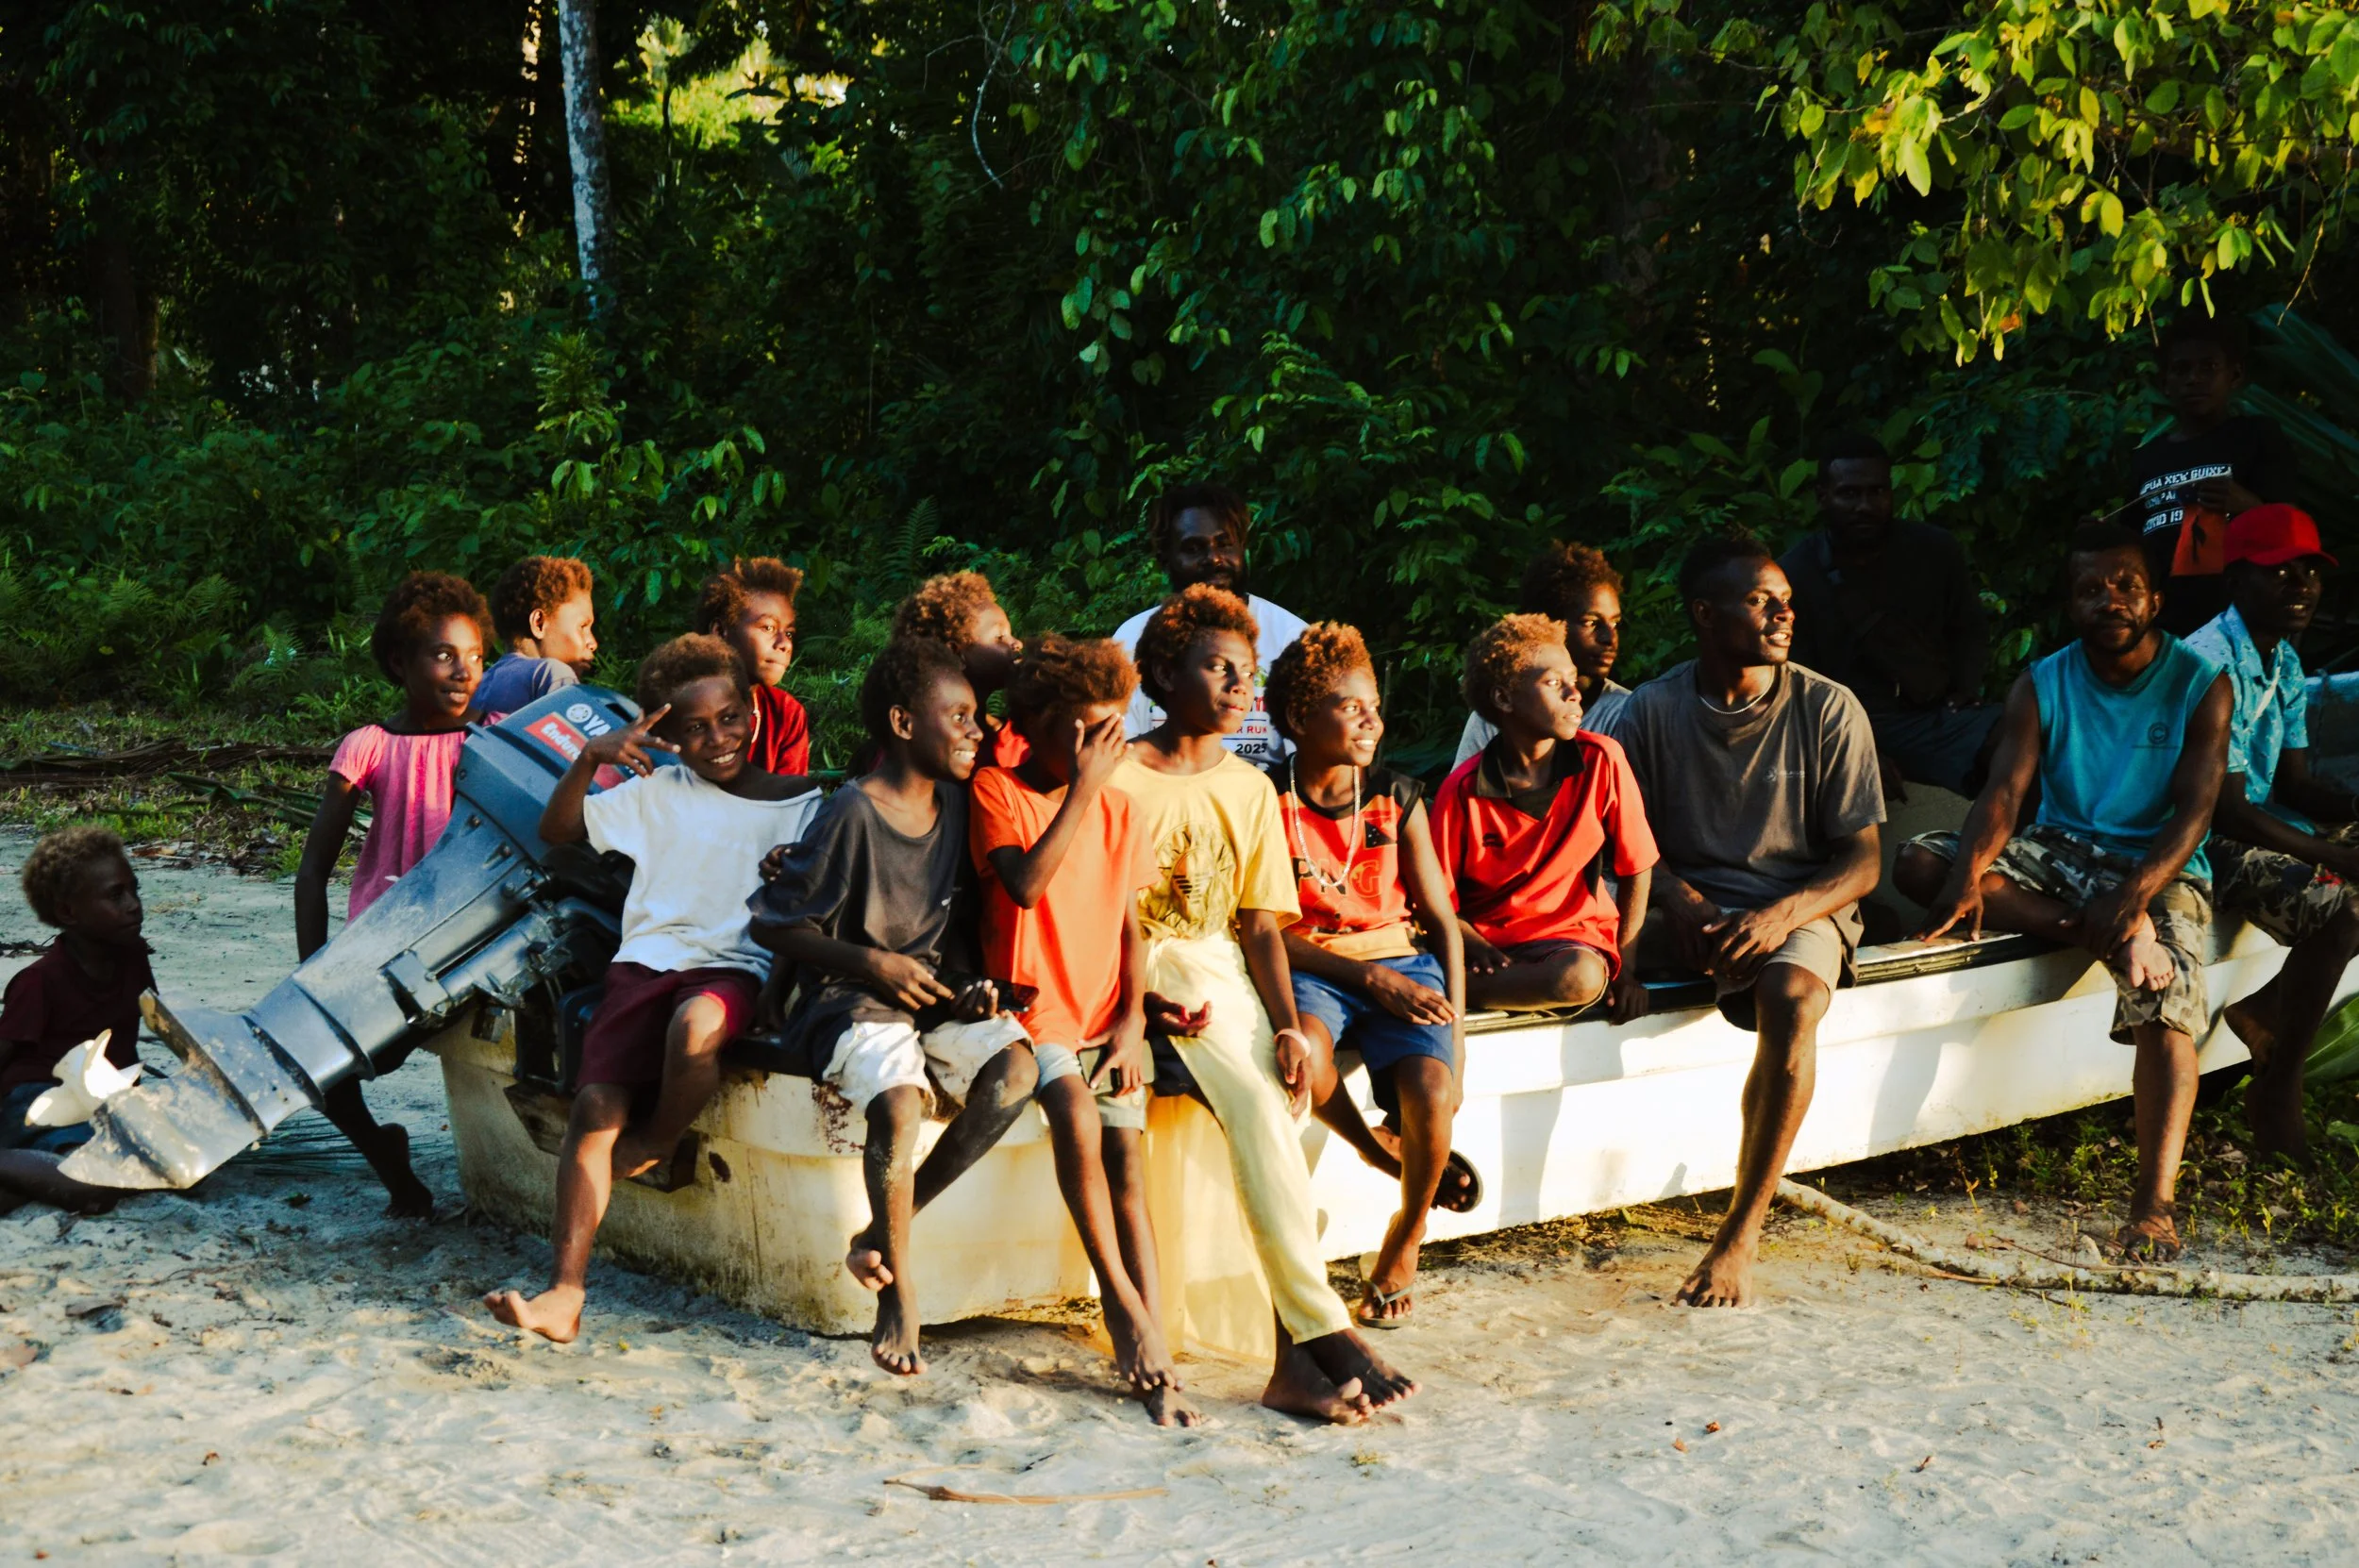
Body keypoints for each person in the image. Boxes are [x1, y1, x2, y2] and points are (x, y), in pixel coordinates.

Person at [1117, 584, 1416, 1422]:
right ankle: (1325, 1330)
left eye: (1247, 675)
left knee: (1280, 1099)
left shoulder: (1248, 789)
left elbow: (1257, 928)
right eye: (1218, 669)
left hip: (1217, 964)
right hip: (1134, 960)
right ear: (1163, 674)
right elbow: (1097, 907)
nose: (1238, 688)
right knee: (1253, 1100)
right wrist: (1137, 995)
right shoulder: (1118, 775)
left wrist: (1287, 1025)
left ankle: (1291, 1363)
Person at [1898, 521, 2231, 1259]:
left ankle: (2154, 1209)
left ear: (2156, 599)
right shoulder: (2043, 680)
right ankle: (2092, 931)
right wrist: (1969, 877)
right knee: (1925, 865)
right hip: (2062, 850)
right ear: (2071, 603)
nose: (2108, 600)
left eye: (2125, 587)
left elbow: (2197, 810)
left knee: (2167, 1008)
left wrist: (2138, 896)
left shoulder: (2197, 681)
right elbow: (2004, 793)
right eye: (2090, 590)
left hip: (2158, 860)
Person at [484, 635, 821, 1343]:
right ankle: (564, 1293)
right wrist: (588, 758)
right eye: (693, 729)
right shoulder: (656, 793)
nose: (717, 738)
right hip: (644, 965)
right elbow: (557, 831)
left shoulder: (804, 806)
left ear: (753, 712)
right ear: (664, 736)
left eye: (729, 717)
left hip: (733, 970)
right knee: (593, 1108)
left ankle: (655, 1142)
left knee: (696, 1027)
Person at [750, 639, 1038, 1376]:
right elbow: (776, 924)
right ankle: (898, 1295)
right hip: (848, 999)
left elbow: (961, 924)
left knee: (1011, 1072)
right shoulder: (853, 809)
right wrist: (871, 959)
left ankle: (884, 1230)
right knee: (901, 1103)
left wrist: (974, 986)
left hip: (929, 994)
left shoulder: (957, 801)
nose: (980, 731)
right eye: (963, 717)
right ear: (906, 724)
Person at [1615, 533, 1885, 1307]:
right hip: (1686, 902)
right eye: (1760, 600)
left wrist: (1776, 918)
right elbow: (1622, 839)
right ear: (1705, 615)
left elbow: (1861, 863)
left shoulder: (1828, 707)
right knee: (1573, 951)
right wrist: (1680, 899)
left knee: (1793, 1000)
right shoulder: (1653, 709)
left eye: (1787, 601)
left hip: (1797, 900)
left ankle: (1741, 1231)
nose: (1782, 614)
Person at [971, 633, 1194, 1424]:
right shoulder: (999, 790)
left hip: (1108, 1018)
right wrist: (1084, 789)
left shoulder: (1124, 808)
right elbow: (1027, 885)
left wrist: (1134, 1021)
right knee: (1071, 1115)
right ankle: (1124, 1313)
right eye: (1091, 731)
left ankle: (1154, 1340)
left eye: (1116, 728)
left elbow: (1135, 924)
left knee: (1128, 1164)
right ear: (1040, 727)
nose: (1110, 746)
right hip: (1037, 1014)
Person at [1264, 622, 1473, 1328]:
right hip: (1314, 962)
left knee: (1435, 1090)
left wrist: (1460, 1042)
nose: (1371, 720)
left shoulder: (1396, 794)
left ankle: (1407, 1235)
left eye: (1373, 705)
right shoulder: (1267, 800)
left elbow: (1442, 923)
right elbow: (1260, 930)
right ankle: (1374, 1150)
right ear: (1298, 718)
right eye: (1350, 707)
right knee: (1308, 1055)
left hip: (1401, 959)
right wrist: (1371, 984)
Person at [293, 571, 489, 1217]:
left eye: (475, 657)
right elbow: (313, 869)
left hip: (473, 942)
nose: (463, 672)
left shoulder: (497, 739)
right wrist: (313, 969)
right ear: (399, 662)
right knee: (325, 1073)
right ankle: (396, 1173)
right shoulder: (368, 746)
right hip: (381, 948)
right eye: (443, 655)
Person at [2183, 506, 2359, 1162]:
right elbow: (2223, 810)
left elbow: (2295, 783)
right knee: (2340, 911)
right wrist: (2333, 855)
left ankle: (2264, 1009)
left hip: (2259, 822)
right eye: (2280, 571)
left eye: (2310, 571)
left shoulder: (2282, 660)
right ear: (2236, 582)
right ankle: (2278, 1086)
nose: (2301, 586)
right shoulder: (2208, 661)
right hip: (2195, 838)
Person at [1434, 614, 1657, 1018]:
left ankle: (1458, 989)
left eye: (1573, 680)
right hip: (1486, 948)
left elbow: (1637, 868)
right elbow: (1438, 904)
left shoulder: (1601, 760)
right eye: (1555, 684)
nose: (1575, 694)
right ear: (1504, 699)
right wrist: (1474, 945)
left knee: (1580, 978)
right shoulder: (1462, 791)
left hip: (1569, 943)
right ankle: (1462, 984)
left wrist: (1626, 969)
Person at [1780, 433, 1997, 798]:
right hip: (1846, 722)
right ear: (1822, 497)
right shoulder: (1796, 573)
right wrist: (1854, 748)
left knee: (2020, 737)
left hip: (1932, 714)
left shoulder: (1935, 550)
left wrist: (1965, 687)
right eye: (1849, 494)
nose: (1865, 505)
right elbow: (1796, 684)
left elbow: (1969, 628)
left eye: (1876, 492)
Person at [0, 826, 148, 1214]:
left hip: (102, 1099)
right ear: (68, 912)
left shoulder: (133, 957)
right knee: (94, 1183)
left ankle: (24, 1180)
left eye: (134, 890)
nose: (133, 904)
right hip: (39, 1100)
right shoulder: (40, 982)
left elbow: (157, 1025)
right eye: (116, 895)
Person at [1111, 483, 1308, 763]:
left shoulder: (1292, 638)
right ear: (1165, 559)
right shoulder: (1131, 640)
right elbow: (1122, 758)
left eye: (1224, 543)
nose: (1213, 558)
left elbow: (1309, 765)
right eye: (1193, 548)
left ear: (1243, 547)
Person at [2129, 313, 2298, 637]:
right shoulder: (2147, 457)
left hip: (2236, 621)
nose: (2194, 379)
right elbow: (2132, 537)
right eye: (2181, 370)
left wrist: (2246, 504)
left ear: (2233, 376)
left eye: (2208, 367)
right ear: (2165, 383)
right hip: (2160, 624)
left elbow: (2291, 528)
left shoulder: (2255, 437)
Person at [1453, 542, 1634, 765]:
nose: (1609, 638)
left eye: (1615, 623)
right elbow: (1464, 790)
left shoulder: (1629, 712)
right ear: (1548, 622)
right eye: (1590, 623)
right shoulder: (1498, 714)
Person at [891, 570, 1029, 769]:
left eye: (1011, 634)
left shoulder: (1015, 740)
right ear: (955, 652)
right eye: (999, 638)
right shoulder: (929, 746)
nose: (1016, 643)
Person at [694, 556, 811, 775]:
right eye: (768, 628)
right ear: (720, 632)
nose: (784, 644)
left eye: (788, 633)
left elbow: (789, 801)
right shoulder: (678, 704)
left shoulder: (785, 713)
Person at [477, 555, 598, 717]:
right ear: (539, 623)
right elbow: (575, 739)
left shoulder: (478, 684)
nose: (593, 643)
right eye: (582, 626)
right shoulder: (552, 673)